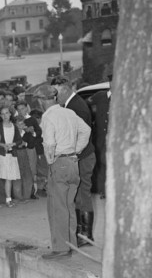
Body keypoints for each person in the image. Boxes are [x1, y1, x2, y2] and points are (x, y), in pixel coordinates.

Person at [35, 85, 91, 260]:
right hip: (73, 162)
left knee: (57, 207)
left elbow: (49, 143)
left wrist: (50, 161)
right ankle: (71, 244)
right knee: (68, 206)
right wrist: (77, 149)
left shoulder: (48, 116)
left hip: (59, 163)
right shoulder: (69, 112)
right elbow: (86, 130)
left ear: (42, 101)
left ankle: (60, 249)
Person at [51, 76, 97, 245]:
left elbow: (82, 134)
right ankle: (81, 232)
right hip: (78, 156)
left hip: (82, 157)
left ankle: (86, 235)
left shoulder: (77, 106)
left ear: (64, 89)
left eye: (55, 92)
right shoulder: (71, 105)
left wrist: (73, 154)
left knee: (82, 193)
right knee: (77, 194)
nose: (54, 97)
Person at [88, 79, 111, 199]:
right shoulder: (100, 95)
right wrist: (93, 113)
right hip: (101, 137)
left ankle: (111, 190)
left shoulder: (121, 97)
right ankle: (103, 190)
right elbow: (88, 103)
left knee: (110, 163)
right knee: (101, 164)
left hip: (113, 138)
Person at [0, 106, 22, 207]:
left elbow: (19, 140)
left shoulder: (13, 126)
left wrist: (13, 144)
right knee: (5, 177)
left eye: (7, 113)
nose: (5, 116)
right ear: (0, 116)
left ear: (10, 114)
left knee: (10, 177)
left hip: (12, 154)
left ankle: (8, 199)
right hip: (2, 155)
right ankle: (6, 199)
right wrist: (3, 145)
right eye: (2, 114)